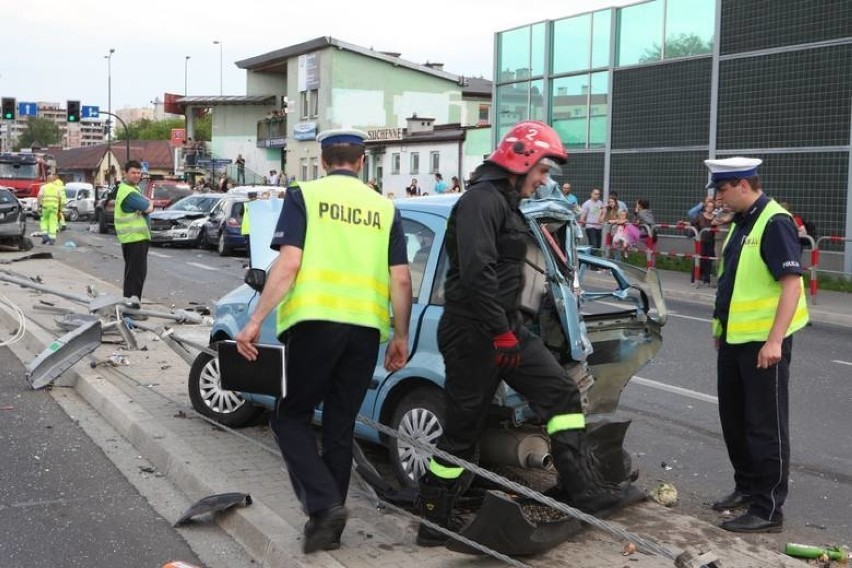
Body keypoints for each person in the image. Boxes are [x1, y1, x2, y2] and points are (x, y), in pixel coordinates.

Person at [416, 120, 641, 547]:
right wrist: (500, 332)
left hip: (504, 329)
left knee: (561, 393)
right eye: (540, 171)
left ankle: (582, 491)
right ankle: (433, 515)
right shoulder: (480, 202)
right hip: (473, 333)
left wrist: (510, 328)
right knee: (463, 430)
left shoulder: (505, 202)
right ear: (520, 161)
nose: (543, 182)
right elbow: (479, 272)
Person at [234, 129, 412, 554]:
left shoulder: (304, 195)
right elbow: (401, 278)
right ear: (362, 161)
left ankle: (324, 504)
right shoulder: (384, 207)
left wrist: (256, 320)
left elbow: (289, 261)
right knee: (339, 426)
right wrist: (400, 335)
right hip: (366, 329)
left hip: (315, 324)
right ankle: (327, 530)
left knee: (290, 417)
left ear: (323, 157)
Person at [704, 157, 809, 533]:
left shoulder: (774, 221)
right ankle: (746, 488)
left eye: (722, 189)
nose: (718, 197)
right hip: (735, 339)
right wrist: (720, 327)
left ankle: (767, 510)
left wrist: (775, 341)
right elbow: (732, 280)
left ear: (743, 185)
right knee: (735, 420)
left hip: (764, 345)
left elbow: (791, 285)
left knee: (765, 426)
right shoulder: (741, 222)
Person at [114, 161, 153, 302]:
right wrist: (149, 204)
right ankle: (132, 306)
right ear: (125, 173)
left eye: (138, 172)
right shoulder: (129, 192)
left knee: (132, 274)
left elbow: (144, 206)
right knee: (136, 275)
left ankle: (129, 303)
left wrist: (145, 204)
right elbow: (148, 208)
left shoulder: (128, 189)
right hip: (135, 238)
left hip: (131, 238)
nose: (137, 175)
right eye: (133, 172)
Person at [692, 198, 717, 286]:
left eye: (712, 207)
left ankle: (707, 280)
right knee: (699, 260)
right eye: (708, 207)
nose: (710, 208)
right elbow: (692, 224)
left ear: (713, 208)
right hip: (701, 241)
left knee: (708, 261)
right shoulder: (700, 216)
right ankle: (695, 279)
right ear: (705, 207)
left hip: (710, 242)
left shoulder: (715, 218)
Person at [37, 174, 65, 245]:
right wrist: (60, 208)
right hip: (54, 208)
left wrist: (39, 206)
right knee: (53, 222)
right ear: (53, 180)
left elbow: (39, 196)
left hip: (45, 207)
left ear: (47, 180)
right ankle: (52, 239)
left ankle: (45, 237)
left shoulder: (44, 187)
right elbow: (60, 198)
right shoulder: (57, 188)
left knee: (44, 221)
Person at [579, 188, 605, 254]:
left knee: (598, 246)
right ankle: (591, 262)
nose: (597, 196)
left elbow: (603, 213)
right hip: (590, 227)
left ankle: (592, 259)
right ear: (591, 194)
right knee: (594, 245)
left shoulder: (600, 203)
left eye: (598, 194)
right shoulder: (587, 204)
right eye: (595, 194)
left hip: (598, 227)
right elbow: (583, 216)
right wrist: (580, 227)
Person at [240, 191, 258, 267]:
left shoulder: (244, 204)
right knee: (255, 249)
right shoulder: (259, 205)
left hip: (247, 230)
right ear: (256, 196)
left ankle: (252, 264)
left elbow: (240, 214)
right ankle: (253, 264)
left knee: (250, 249)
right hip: (256, 230)